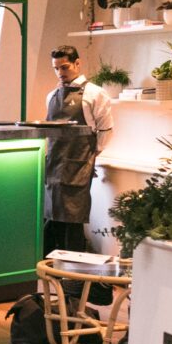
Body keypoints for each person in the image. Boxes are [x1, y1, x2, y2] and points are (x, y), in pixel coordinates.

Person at [42, 44, 114, 254]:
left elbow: (106, 129)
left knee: (73, 217)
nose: (60, 73)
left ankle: (73, 267)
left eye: (64, 67)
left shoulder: (95, 94)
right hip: (53, 164)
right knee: (51, 216)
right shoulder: (52, 96)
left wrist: (91, 154)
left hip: (78, 165)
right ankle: (48, 264)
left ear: (77, 63)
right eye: (56, 68)